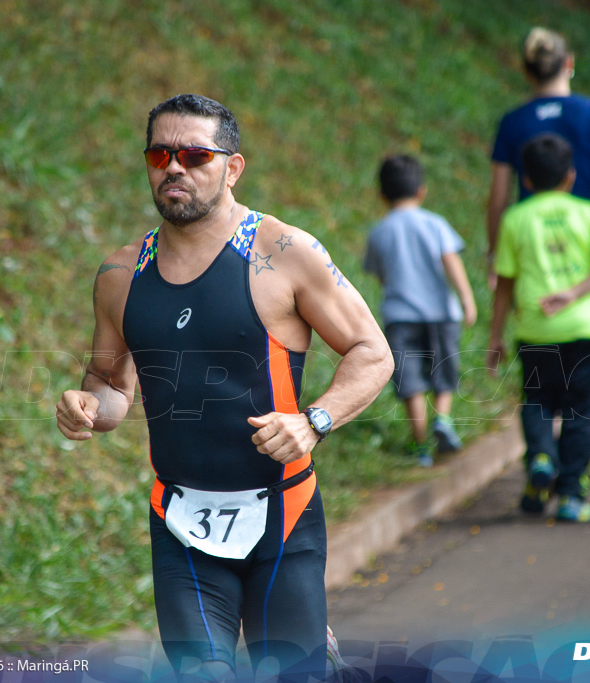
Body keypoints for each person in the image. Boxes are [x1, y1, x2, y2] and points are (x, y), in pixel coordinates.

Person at [56, 94, 393, 681]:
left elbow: (373, 353)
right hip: (181, 522)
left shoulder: (284, 253)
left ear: (232, 167)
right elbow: (111, 387)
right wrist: (87, 406)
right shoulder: (120, 275)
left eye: (194, 154)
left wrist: (312, 421)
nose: (175, 168)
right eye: (161, 154)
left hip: (282, 518)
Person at [486, 26, 590, 497]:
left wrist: (496, 254)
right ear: (570, 63)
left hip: (530, 261)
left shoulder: (514, 122)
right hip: (589, 256)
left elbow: (498, 196)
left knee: (539, 393)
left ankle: (542, 463)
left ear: (526, 70)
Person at [363, 155, 477, 467]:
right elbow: (451, 261)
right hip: (441, 313)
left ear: (382, 195)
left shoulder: (379, 232)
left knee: (410, 380)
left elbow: (382, 274)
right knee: (443, 371)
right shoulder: (435, 223)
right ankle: (443, 418)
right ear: (421, 191)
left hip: (401, 316)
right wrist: (467, 299)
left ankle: (421, 445)